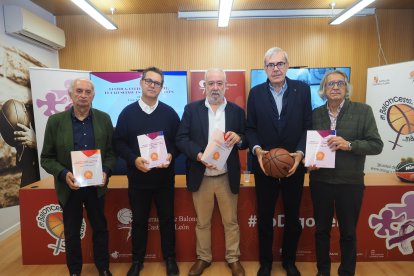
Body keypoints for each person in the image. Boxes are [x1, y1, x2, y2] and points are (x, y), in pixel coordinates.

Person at [308, 70, 383, 276]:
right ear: (323, 89)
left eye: (340, 83)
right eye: (330, 84)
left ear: (346, 88)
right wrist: (309, 162)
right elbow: (310, 147)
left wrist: (348, 144)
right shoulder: (315, 114)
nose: (335, 87)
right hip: (320, 182)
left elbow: (376, 145)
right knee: (322, 231)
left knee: (348, 233)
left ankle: (346, 272)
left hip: (350, 183)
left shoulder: (362, 111)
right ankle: (323, 271)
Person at [246, 47, 312, 276]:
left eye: (280, 64)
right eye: (271, 65)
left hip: (294, 164)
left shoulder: (302, 90)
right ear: (265, 68)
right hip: (265, 166)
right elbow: (250, 129)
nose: (275, 68)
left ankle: (289, 261)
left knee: (293, 218)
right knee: (265, 217)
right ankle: (266, 263)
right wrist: (257, 151)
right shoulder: (255, 93)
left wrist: (301, 153)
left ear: (287, 65)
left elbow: (307, 126)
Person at [41, 78, 116, 276]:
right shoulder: (56, 121)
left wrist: (106, 171)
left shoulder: (104, 119)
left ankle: (104, 267)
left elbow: (111, 153)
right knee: (72, 232)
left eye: (87, 92)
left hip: (95, 187)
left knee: (100, 228)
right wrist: (64, 174)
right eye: (79, 91)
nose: (83, 95)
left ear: (93, 95)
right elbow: (46, 158)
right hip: (70, 187)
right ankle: (74, 271)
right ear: (71, 94)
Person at [176, 68, 246, 276]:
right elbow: (181, 139)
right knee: (202, 222)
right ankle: (203, 258)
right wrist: (198, 155)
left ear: (226, 85)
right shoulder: (191, 110)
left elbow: (245, 139)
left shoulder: (237, 112)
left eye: (219, 83)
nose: (215, 87)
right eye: (211, 83)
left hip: (226, 176)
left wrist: (239, 139)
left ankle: (233, 258)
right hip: (201, 176)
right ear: (204, 86)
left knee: (231, 222)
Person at [113, 67, 180, 276]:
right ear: (141, 83)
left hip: (164, 180)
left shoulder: (170, 113)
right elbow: (118, 143)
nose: (152, 85)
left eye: (157, 83)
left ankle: (170, 259)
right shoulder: (127, 113)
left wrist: (171, 155)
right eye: (149, 81)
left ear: (161, 87)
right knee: (139, 221)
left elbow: (179, 142)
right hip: (138, 180)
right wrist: (133, 159)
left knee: (167, 220)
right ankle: (137, 261)